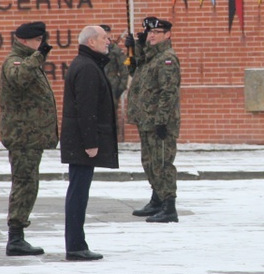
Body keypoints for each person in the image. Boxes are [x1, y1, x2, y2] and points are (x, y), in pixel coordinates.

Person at [0, 21, 57, 256]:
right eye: (37, 41)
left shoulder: (29, 60)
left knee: (28, 184)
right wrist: (37, 57)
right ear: (24, 40)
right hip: (23, 137)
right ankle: (15, 238)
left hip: (31, 137)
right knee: (24, 184)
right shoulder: (16, 60)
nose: (41, 45)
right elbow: (19, 78)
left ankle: (18, 236)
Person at [60, 26, 119, 261]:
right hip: (82, 142)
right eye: (104, 38)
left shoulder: (88, 64)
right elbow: (86, 108)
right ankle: (75, 246)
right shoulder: (86, 67)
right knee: (78, 193)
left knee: (78, 191)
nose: (109, 42)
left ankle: (77, 243)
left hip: (80, 141)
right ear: (92, 42)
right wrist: (90, 142)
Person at [127, 17, 182, 223]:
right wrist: (136, 50)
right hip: (146, 119)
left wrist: (161, 121)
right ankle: (157, 199)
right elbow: (137, 75)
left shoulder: (167, 59)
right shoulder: (151, 58)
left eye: (156, 33)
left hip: (160, 122)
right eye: (149, 33)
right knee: (149, 162)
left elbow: (168, 93)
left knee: (162, 163)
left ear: (167, 34)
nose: (151, 36)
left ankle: (169, 206)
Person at [100, 24, 129, 117]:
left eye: (108, 37)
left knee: (111, 117)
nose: (107, 41)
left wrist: (120, 88)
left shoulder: (115, 50)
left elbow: (125, 70)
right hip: (98, 86)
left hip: (112, 86)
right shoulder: (95, 50)